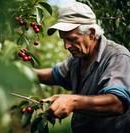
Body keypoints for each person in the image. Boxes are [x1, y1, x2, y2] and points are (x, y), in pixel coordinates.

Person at [35, 2, 130, 133]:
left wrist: (73, 102)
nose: (66, 46)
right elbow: (55, 75)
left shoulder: (116, 56)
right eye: (63, 40)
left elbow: (117, 103)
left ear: (91, 33)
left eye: (72, 39)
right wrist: (22, 72)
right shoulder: (77, 58)